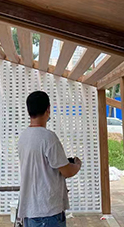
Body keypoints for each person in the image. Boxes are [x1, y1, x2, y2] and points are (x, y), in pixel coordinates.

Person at [18, 91, 82, 227]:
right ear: (48, 109)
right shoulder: (48, 138)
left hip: (29, 211)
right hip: (47, 212)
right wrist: (77, 165)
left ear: (29, 111)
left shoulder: (24, 137)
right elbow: (67, 171)